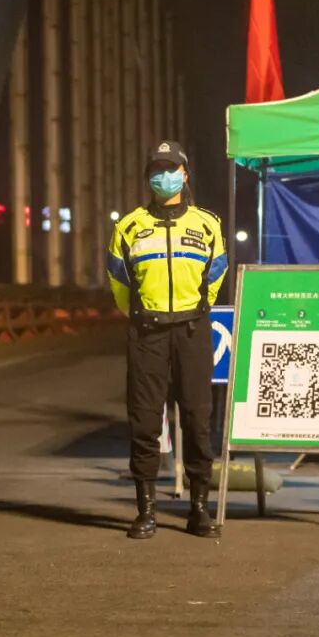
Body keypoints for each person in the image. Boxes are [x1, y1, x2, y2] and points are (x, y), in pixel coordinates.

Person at [106, 140, 228, 539]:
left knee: (196, 419)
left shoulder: (207, 224)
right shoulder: (129, 226)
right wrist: (143, 313)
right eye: (156, 170)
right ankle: (146, 511)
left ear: (184, 174)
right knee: (144, 422)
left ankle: (199, 509)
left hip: (192, 331)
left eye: (171, 169)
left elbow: (217, 271)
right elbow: (119, 281)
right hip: (147, 333)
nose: (164, 176)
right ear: (148, 178)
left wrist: (197, 307)